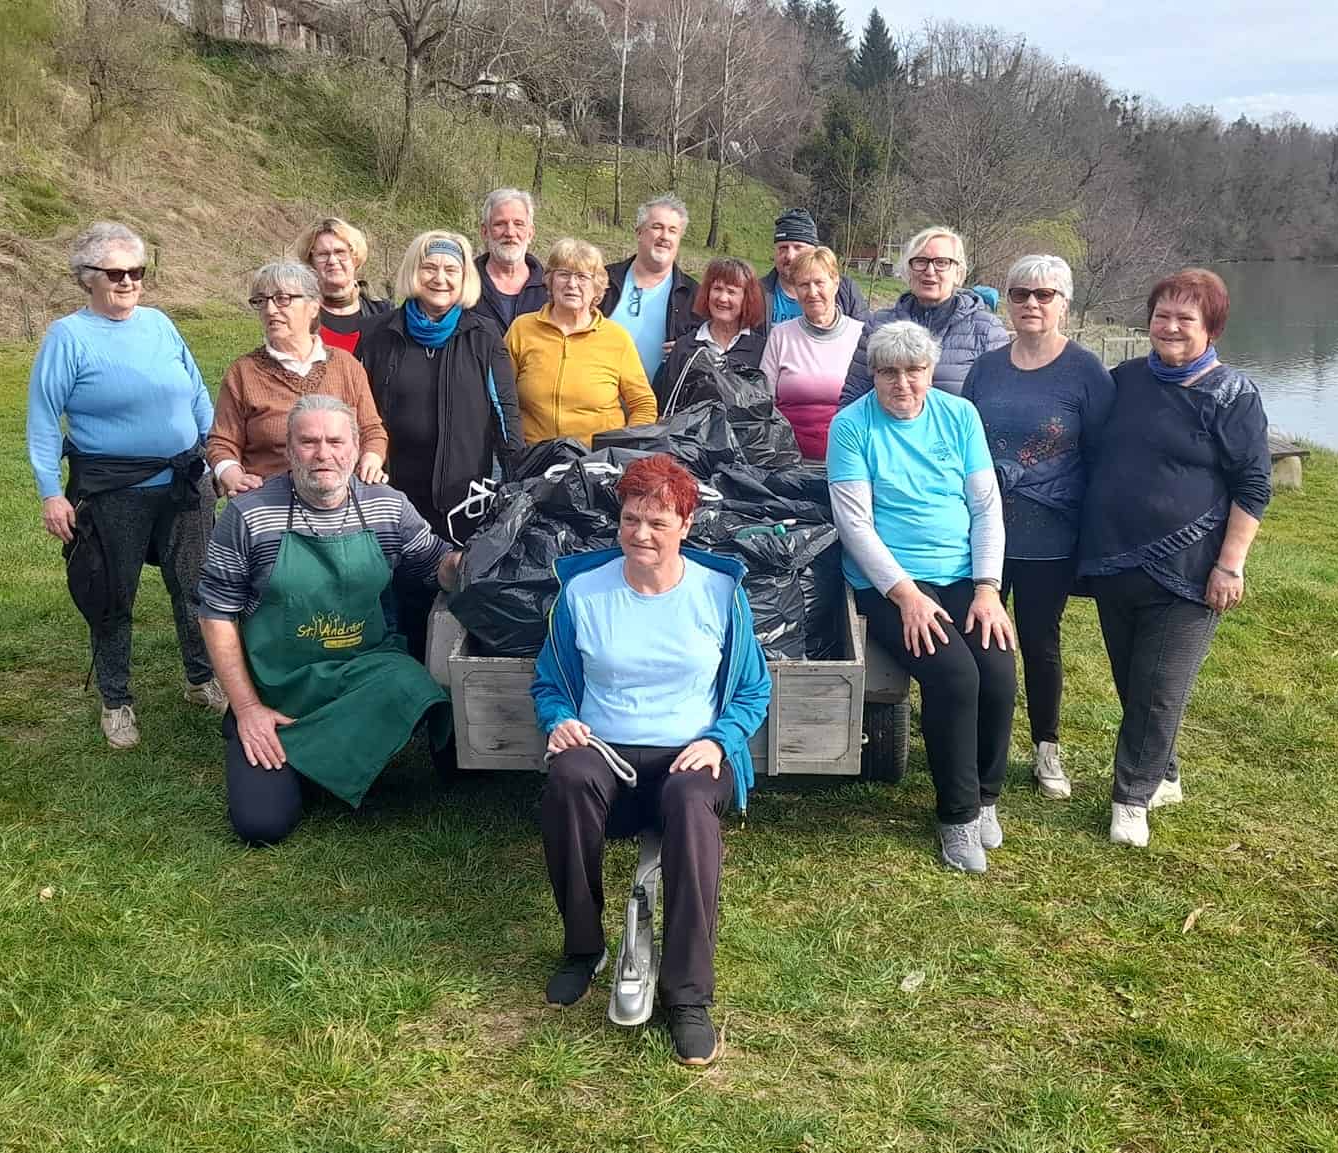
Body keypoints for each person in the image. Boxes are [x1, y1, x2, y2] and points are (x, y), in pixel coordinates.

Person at [532, 454, 771, 1067]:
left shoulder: (719, 594)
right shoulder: (583, 591)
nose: (641, 534)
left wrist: (720, 739)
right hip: (606, 749)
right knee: (566, 781)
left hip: (688, 749)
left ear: (686, 525)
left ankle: (687, 996)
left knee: (693, 810)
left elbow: (752, 690)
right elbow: (550, 682)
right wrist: (560, 720)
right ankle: (584, 949)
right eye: (631, 519)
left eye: (658, 523)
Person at [197, 395, 465, 847]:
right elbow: (216, 613)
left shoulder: (387, 506)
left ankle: (305, 760)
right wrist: (246, 708)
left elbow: (435, 564)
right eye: (309, 441)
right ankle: (280, 742)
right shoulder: (250, 515)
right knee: (262, 824)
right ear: (289, 447)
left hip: (359, 678)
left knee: (412, 684)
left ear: (357, 447)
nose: (323, 454)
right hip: (280, 689)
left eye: (335, 441)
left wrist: (473, 563)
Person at [1077, 268, 1270, 849]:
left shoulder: (1233, 396)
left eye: (1186, 318)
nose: (1171, 326)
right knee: (1133, 682)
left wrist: (1230, 564)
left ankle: (1130, 799)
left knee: (1161, 686)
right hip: (1116, 559)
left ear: (1211, 327)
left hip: (1189, 568)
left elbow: (1254, 486)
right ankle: (1165, 772)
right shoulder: (1126, 381)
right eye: (1163, 314)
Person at [827, 321, 1017, 873]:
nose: (903, 384)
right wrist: (906, 596)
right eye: (889, 372)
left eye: (915, 371)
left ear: (931, 372)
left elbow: (985, 509)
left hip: (962, 574)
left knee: (999, 669)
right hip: (887, 580)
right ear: (874, 375)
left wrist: (987, 589)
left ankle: (985, 797)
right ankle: (956, 818)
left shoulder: (959, 417)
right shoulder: (851, 426)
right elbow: (855, 525)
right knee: (954, 674)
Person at [27, 221, 224, 751]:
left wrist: (213, 454)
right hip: (113, 490)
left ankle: (201, 679)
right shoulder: (67, 337)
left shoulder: (160, 324)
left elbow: (197, 390)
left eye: (138, 272)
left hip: (185, 481)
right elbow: (44, 419)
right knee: (113, 596)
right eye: (116, 274)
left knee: (196, 587)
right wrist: (51, 491)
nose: (129, 282)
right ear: (87, 278)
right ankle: (116, 701)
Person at [962, 255, 1115, 801]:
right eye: (1021, 293)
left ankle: (1046, 746)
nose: (1031, 303)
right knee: (979, 636)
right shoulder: (986, 368)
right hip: (985, 528)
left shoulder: (1086, 372)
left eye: (1044, 295)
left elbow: (1101, 456)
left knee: (1039, 640)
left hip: (1051, 530)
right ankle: (977, 745)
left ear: (1064, 304)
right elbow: (965, 444)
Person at [357, 229, 521, 660]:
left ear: (465, 276)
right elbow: (359, 411)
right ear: (414, 271)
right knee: (396, 598)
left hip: (461, 498)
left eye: (452, 269)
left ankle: (451, 699)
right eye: (430, 267)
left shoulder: (482, 336)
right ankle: (399, 680)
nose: (440, 277)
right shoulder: (378, 334)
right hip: (393, 493)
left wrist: (514, 483)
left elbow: (506, 417)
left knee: (454, 598)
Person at [208, 262, 388, 499]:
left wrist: (370, 461)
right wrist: (232, 475)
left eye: (283, 299)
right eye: (262, 301)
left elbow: (372, 430)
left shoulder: (346, 365)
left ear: (313, 306)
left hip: (339, 502)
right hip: (270, 504)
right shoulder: (243, 372)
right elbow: (222, 443)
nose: (271, 310)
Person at [507, 238, 658, 447]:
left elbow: (643, 404)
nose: (572, 284)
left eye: (582, 277)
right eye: (563, 274)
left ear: (597, 287)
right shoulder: (521, 329)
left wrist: (622, 451)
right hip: (532, 461)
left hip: (596, 465)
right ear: (550, 280)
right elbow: (501, 398)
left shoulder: (617, 338)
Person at [839, 226, 1008, 406]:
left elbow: (999, 405)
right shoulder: (879, 325)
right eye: (920, 261)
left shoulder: (986, 330)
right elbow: (854, 396)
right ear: (908, 270)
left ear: (958, 272)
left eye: (942, 262)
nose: (929, 270)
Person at [759, 245, 866, 461]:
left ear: (835, 283)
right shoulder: (780, 336)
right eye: (804, 285)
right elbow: (762, 403)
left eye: (819, 283)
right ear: (796, 291)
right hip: (788, 459)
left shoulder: (861, 334)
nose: (812, 292)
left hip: (848, 459)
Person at [598, 194, 699, 379]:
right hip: (597, 401)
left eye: (672, 230)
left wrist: (684, 352)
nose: (664, 236)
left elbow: (704, 353)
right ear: (639, 232)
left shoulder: (694, 295)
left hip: (658, 404)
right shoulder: (603, 280)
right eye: (657, 227)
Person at [652, 257, 767, 411]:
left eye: (732, 291)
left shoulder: (761, 350)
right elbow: (665, 408)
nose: (722, 298)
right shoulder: (685, 347)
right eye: (717, 289)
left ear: (747, 299)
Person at [296, 218, 392, 355]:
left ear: (355, 258)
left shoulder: (384, 312)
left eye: (340, 252)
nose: (332, 261)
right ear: (311, 262)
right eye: (323, 254)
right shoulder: (299, 315)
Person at [760, 208, 866, 328]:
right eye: (783, 248)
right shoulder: (757, 292)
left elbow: (865, 337)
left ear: (814, 252)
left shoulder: (845, 291)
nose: (790, 256)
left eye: (798, 247)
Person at [471, 188, 548, 332]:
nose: (510, 233)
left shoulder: (551, 288)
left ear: (530, 233)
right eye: (500, 224)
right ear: (485, 232)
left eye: (518, 224)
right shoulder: (464, 284)